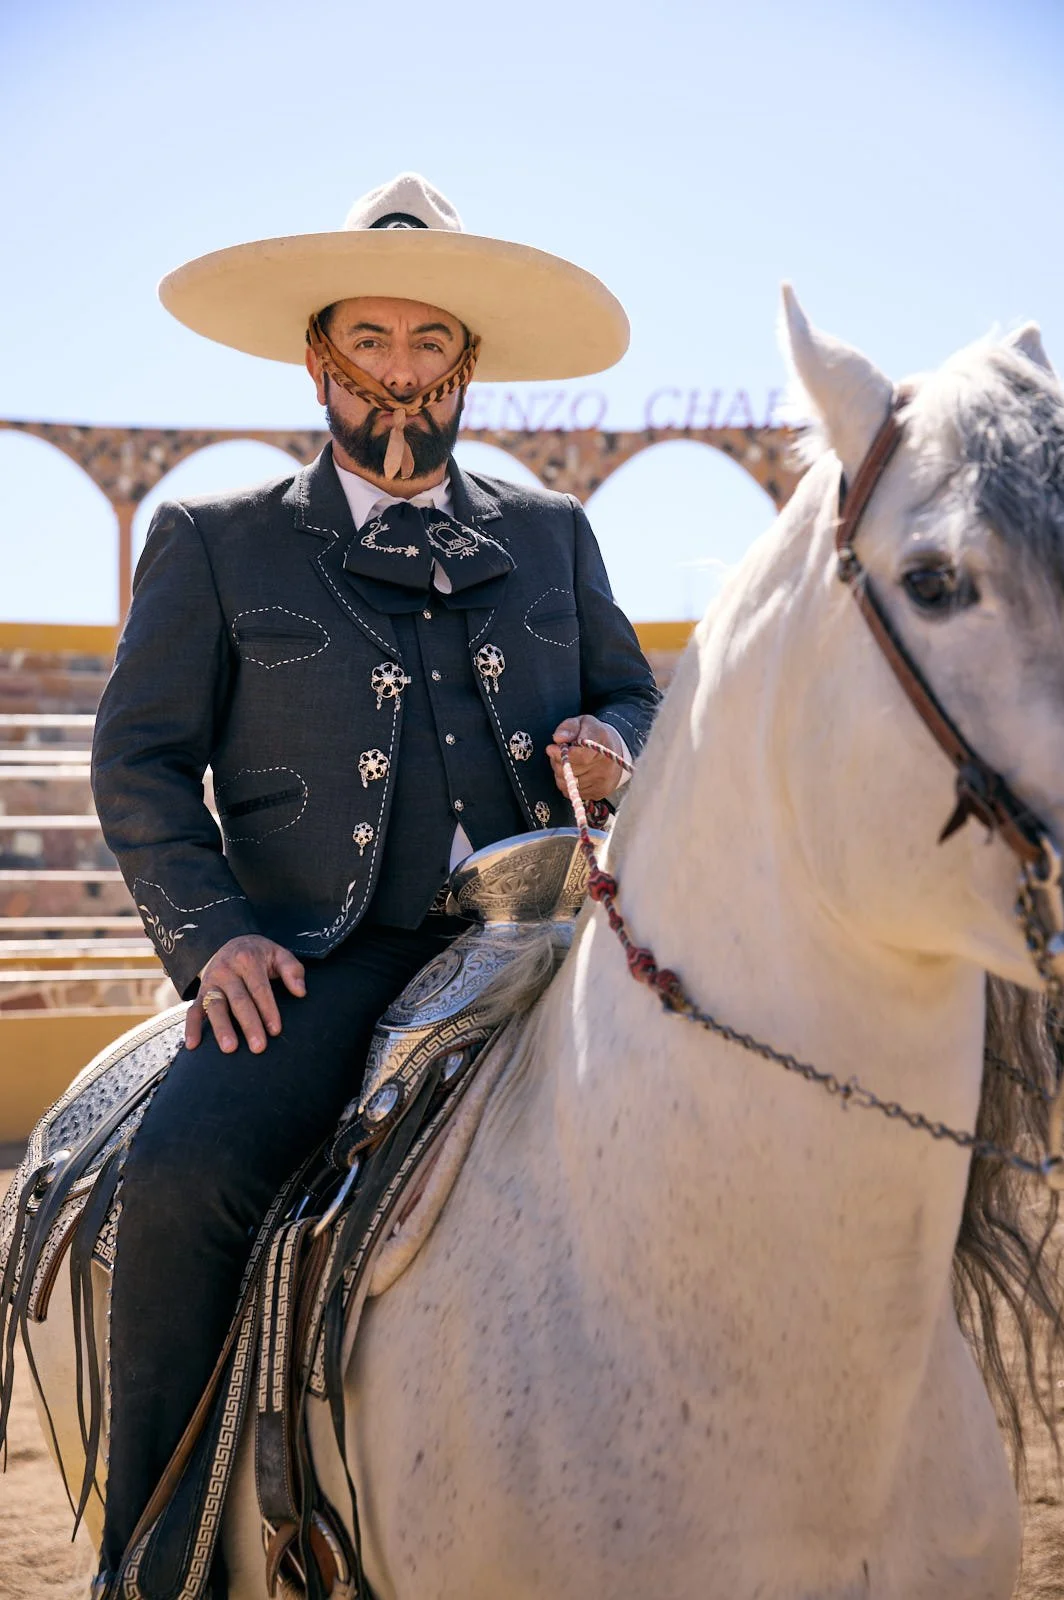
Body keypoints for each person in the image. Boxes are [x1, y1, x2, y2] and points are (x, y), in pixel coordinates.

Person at [90, 172, 659, 1589]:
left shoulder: (552, 537)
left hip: (548, 943)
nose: (398, 373)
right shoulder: (215, 543)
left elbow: (636, 699)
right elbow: (143, 763)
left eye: (427, 345)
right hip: (317, 957)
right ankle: (148, 1563)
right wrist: (211, 936)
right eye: (370, 343)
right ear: (318, 361)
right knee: (181, 1176)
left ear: (464, 366)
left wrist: (614, 744)